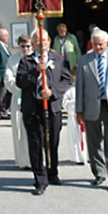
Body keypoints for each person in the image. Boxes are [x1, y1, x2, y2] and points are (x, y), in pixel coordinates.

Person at [16, 28, 73, 195]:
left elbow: (67, 80)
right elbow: (20, 81)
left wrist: (53, 91)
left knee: (52, 142)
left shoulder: (57, 59)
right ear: (33, 44)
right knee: (36, 144)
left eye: (45, 41)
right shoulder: (26, 62)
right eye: (38, 42)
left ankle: (52, 172)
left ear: (49, 42)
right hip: (32, 108)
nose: (42, 44)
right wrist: (35, 70)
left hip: (52, 106)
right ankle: (40, 179)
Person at [75, 28, 108, 189]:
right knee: (94, 142)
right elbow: (80, 88)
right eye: (95, 44)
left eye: (101, 45)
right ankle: (99, 172)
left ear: (107, 43)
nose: (98, 48)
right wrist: (79, 110)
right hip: (91, 106)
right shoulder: (84, 60)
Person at [3, 33, 32, 169]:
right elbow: (8, 79)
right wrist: (20, 87)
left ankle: (36, 159)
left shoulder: (36, 58)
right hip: (19, 98)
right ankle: (23, 160)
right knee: (20, 130)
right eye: (23, 46)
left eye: (28, 46)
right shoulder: (13, 60)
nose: (25, 49)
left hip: (33, 98)